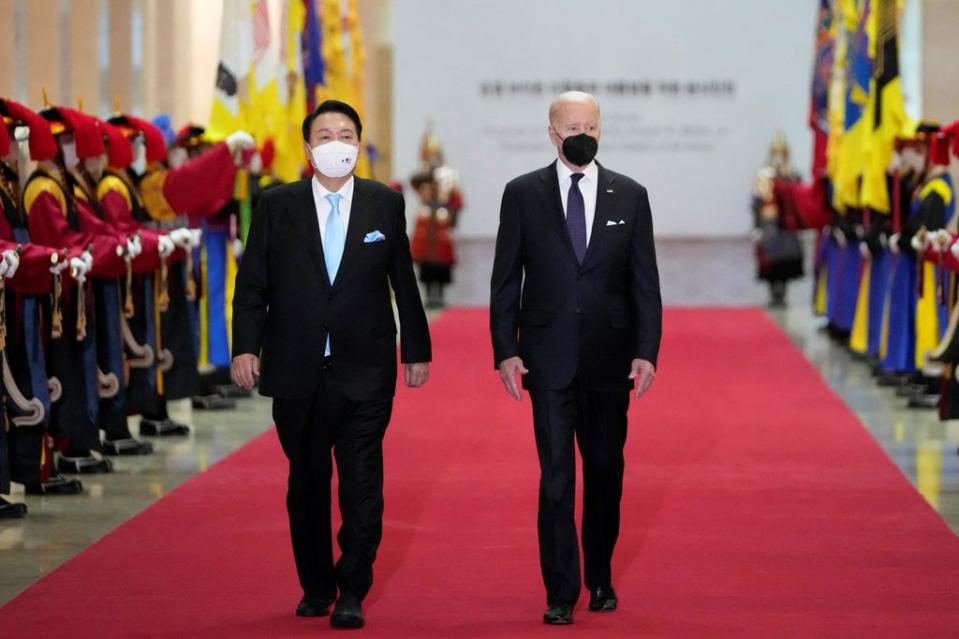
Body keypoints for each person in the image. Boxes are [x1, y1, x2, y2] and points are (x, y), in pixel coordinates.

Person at [231, 99, 431, 629]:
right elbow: (252, 285)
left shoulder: (383, 205)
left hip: (365, 368)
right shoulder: (276, 206)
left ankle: (353, 587)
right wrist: (245, 347)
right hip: (296, 368)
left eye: (346, 134)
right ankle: (316, 584)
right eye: (325, 134)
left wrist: (416, 347)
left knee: (362, 482)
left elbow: (402, 282)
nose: (336, 143)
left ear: (358, 146)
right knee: (307, 482)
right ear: (308, 147)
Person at [490, 91, 662, 625]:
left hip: (610, 361)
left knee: (606, 469)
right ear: (553, 134)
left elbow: (644, 283)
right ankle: (560, 591)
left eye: (589, 124)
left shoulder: (630, 195)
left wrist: (646, 352)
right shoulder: (522, 194)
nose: (581, 133)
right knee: (557, 473)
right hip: (547, 357)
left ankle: (601, 575)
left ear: (601, 130)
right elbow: (505, 280)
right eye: (571, 127)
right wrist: (506, 351)